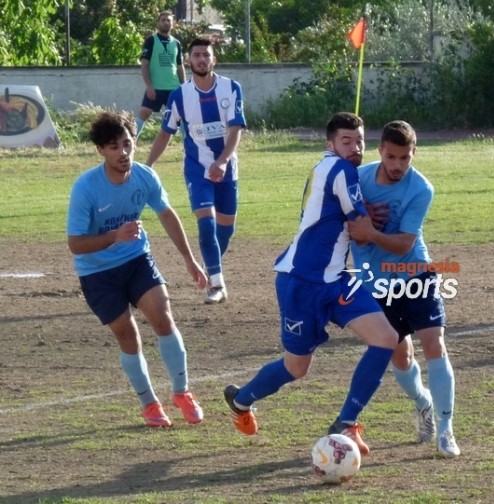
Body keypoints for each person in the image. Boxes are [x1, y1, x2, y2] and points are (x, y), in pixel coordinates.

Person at [222, 112, 398, 456]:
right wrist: (372, 221)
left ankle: (346, 422)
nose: (356, 147)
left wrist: (361, 216)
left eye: (360, 141)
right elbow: (361, 231)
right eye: (347, 141)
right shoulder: (341, 169)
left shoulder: (328, 168)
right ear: (330, 144)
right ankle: (241, 400)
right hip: (301, 283)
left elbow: (347, 217)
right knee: (296, 368)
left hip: (335, 280)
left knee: (386, 338)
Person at [67, 110, 207, 428]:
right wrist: (114, 237)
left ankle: (182, 392)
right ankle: (149, 404)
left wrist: (189, 259)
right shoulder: (86, 187)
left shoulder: (145, 177)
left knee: (163, 316)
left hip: (136, 260)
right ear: (101, 150)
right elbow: (75, 244)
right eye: (114, 147)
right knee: (128, 335)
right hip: (97, 273)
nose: (123, 153)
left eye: (127, 144)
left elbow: (166, 213)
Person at [347, 120, 460, 458]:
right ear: (380, 150)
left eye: (404, 158)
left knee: (434, 343)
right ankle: (423, 404)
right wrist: (355, 215)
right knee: (400, 354)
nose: (397, 165)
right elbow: (333, 218)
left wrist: (369, 232)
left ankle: (446, 430)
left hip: (415, 272)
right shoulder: (356, 180)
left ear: (414, 153)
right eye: (391, 157)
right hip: (375, 280)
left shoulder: (421, 189)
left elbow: (405, 244)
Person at [146, 36, 246, 304]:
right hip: (197, 170)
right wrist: (148, 165)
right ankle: (217, 284)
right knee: (206, 224)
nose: (201, 59)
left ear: (214, 60)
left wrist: (222, 161)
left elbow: (235, 130)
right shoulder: (179, 95)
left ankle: (211, 265)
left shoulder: (231, 88)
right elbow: (165, 133)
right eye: (197, 55)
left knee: (225, 230)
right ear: (188, 61)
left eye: (206, 55)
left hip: (227, 169)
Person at [135, 11, 186, 140]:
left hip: (173, 88)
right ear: (158, 23)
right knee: (144, 112)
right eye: (163, 20)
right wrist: (149, 86)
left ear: (173, 24)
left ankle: (190, 144)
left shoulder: (177, 43)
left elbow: (180, 67)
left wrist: (184, 87)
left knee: (182, 116)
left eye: (168, 20)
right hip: (155, 88)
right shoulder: (151, 41)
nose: (165, 22)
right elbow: (144, 64)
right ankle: (131, 141)